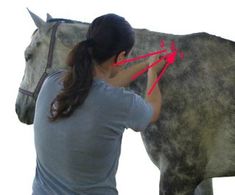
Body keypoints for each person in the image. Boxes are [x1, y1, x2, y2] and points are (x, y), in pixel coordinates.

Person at [32, 13, 165, 195]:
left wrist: (145, 65)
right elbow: (153, 110)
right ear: (121, 57)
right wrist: (153, 74)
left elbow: (101, 88)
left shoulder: (51, 82)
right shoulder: (119, 102)